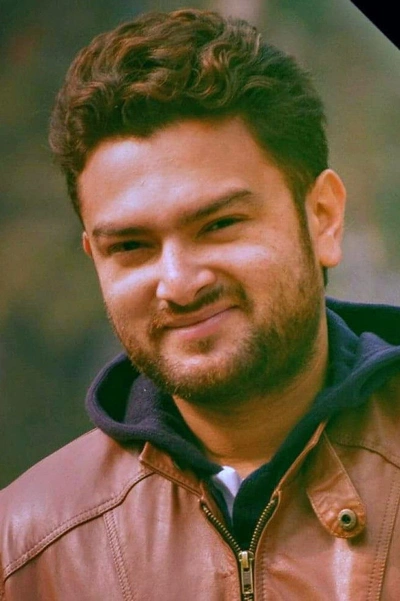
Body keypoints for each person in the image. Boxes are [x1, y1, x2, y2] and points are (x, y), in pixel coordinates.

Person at [1, 8, 400, 600]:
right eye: (131, 246)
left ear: (322, 218)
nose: (179, 284)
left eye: (219, 224)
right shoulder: (25, 548)